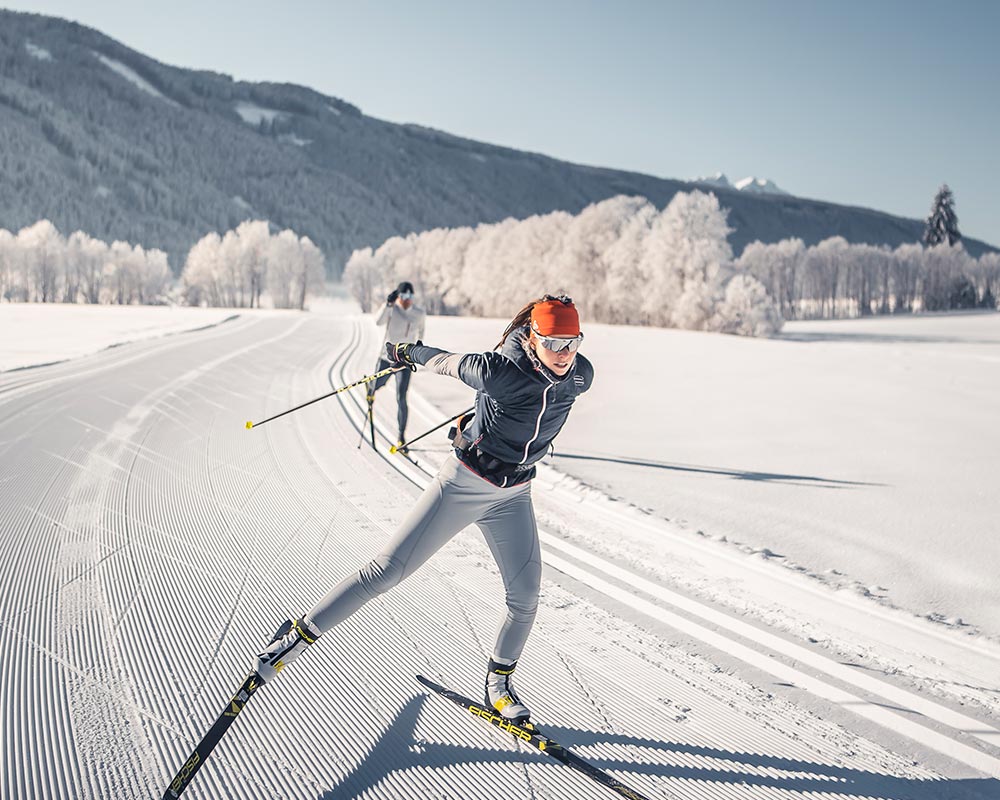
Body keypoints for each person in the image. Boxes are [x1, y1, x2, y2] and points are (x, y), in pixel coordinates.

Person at [256, 295, 593, 723]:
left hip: (514, 495)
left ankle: (499, 685)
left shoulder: (581, 376)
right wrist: (404, 352)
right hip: (464, 485)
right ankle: (297, 635)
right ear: (532, 336)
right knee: (387, 571)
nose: (565, 354)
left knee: (525, 597)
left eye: (573, 342)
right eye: (554, 343)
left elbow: (543, 406)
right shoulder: (499, 371)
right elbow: (446, 361)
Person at [370, 281, 426, 450]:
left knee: (401, 396)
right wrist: (387, 304)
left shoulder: (419, 313)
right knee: (377, 385)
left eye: (410, 296)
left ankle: (401, 436)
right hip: (387, 358)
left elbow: (421, 331)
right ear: (398, 296)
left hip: (405, 361)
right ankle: (370, 388)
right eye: (403, 296)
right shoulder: (392, 309)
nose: (406, 300)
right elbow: (378, 322)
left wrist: (419, 346)